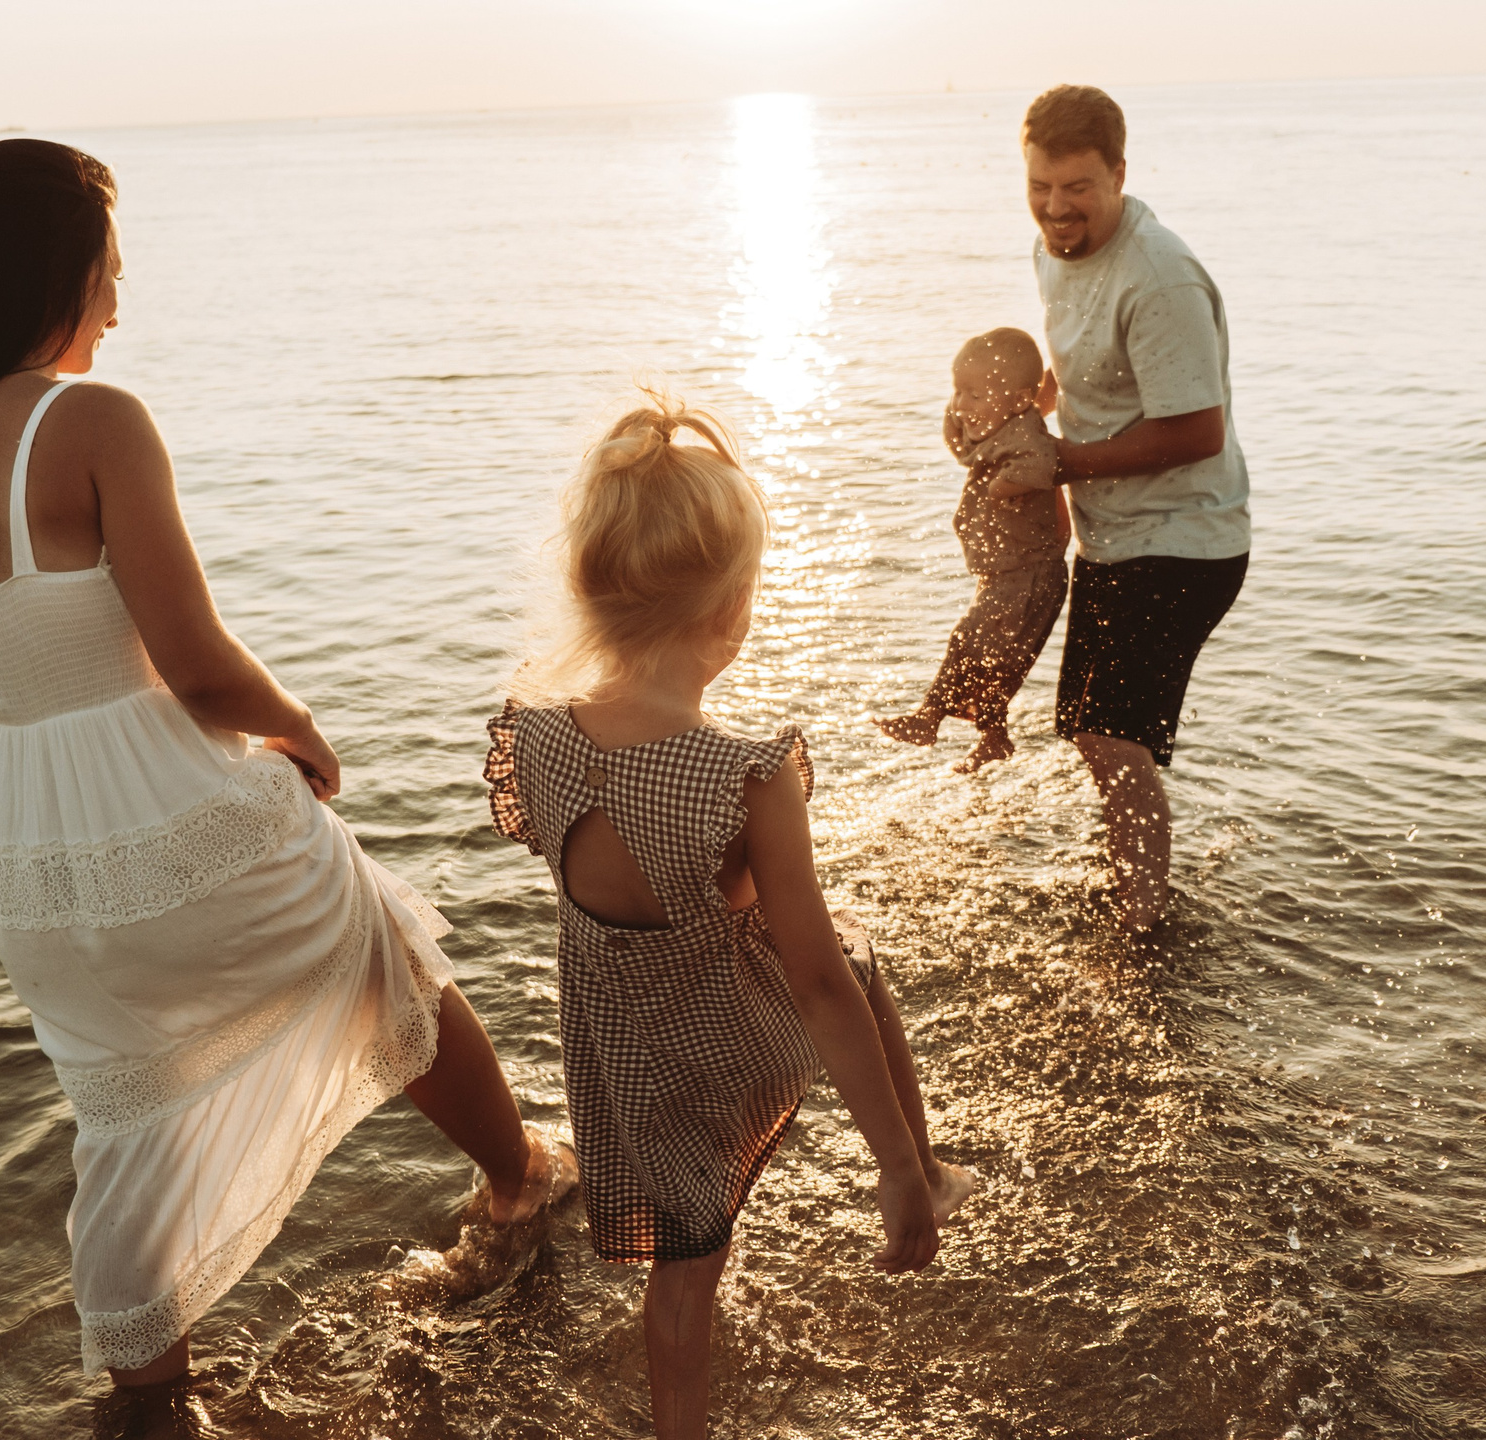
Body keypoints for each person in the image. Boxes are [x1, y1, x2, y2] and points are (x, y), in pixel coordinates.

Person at [0, 139, 570, 1440]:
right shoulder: (91, 421)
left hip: (32, 855)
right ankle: (521, 1189)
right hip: (169, 816)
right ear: (52, 274)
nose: (119, 304)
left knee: (125, 1104)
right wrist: (302, 735)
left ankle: (149, 1391)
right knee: (386, 952)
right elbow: (196, 665)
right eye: (108, 272)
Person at [482, 395, 975, 1440]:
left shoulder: (535, 738)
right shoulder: (744, 778)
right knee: (855, 964)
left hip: (621, 1054)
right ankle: (923, 1174)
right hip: (721, 1044)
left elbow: (584, 857)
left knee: (681, 1266)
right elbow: (815, 985)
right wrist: (885, 1166)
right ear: (732, 612)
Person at [1023, 84, 1252, 936]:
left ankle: (1142, 924)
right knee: (1091, 730)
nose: (1057, 207)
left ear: (1121, 172)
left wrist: (1059, 461)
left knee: (1114, 735)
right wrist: (1034, 400)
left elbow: (1197, 429)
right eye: (1042, 186)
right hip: (1116, 533)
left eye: (1078, 187)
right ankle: (1133, 886)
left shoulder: (1160, 276)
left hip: (1188, 538)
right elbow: (1085, 358)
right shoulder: (1054, 247)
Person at [874, 327, 1071, 772]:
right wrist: (959, 407)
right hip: (1006, 571)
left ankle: (929, 719)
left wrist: (1005, 486)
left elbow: (1042, 463)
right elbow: (963, 444)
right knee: (998, 655)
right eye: (956, 392)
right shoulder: (998, 424)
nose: (961, 406)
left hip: (1030, 571)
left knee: (971, 641)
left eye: (974, 395)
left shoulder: (1025, 433)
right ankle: (993, 734)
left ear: (1021, 399)